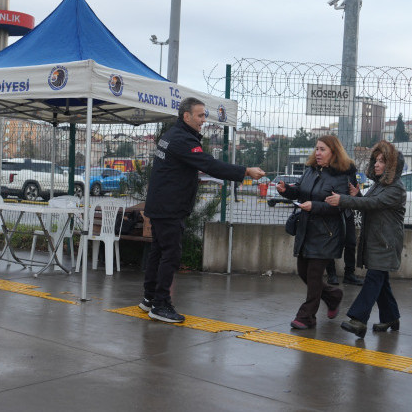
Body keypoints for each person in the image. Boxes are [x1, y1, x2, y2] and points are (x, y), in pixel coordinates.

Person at [140, 97, 266, 323]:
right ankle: (160, 304)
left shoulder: (171, 135)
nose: (203, 120)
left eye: (204, 116)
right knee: (170, 255)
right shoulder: (182, 140)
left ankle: (150, 298)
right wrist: (245, 171)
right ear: (186, 116)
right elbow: (209, 165)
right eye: (200, 116)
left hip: (160, 205)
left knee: (158, 252)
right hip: (169, 208)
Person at [324, 140, 406, 338]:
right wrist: (358, 195)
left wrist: (343, 200)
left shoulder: (396, 189)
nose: (377, 164)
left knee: (373, 280)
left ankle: (359, 320)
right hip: (377, 241)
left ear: (392, 165)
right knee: (381, 282)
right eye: (376, 160)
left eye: (382, 161)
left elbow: (373, 203)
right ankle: (391, 317)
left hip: (386, 244)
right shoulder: (381, 185)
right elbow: (371, 204)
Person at [276, 135, 353, 330]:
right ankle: (333, 296)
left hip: (327, 234)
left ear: (333, 153)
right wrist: (286, 190)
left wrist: (315, 206)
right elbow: (301, 191)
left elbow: (339, 206)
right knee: (304, 272)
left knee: (313, 275)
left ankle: (306, 316)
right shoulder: (310, 171)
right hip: (306, 229)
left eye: (323, 149)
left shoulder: (341, 176)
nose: (317, 153)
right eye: (317, 149)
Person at [325, 167, 364, 286]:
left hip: (346, 211)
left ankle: (349, 274)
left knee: (351, 243)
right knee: (329, 243)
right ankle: (331, 274)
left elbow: (356, 195)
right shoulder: (325, 170)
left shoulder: (349, 170)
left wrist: (357, 194)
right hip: (329, 212)